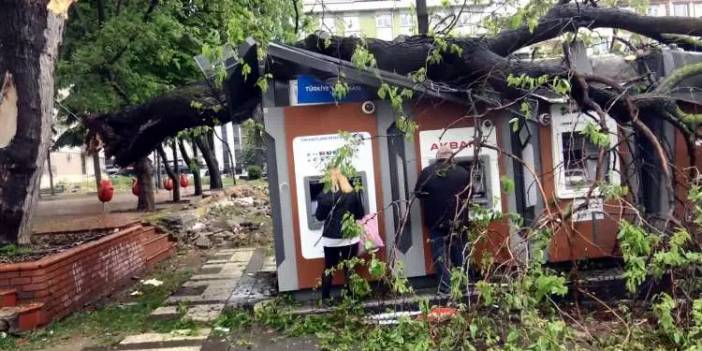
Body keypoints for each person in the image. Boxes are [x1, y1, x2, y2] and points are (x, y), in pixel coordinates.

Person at [415, 144, 471, 294]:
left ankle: (445, 288)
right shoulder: (463, 172)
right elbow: (470, 194)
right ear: (452, 158)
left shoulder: (427, 172)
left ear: (437, 158)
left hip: (436, 221)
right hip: (458, 221)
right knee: (460, 254)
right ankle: (462, 286)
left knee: (440, 256)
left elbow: (418, 193)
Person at [315, 168, 365, 301]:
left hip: (330, 238)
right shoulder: (353, 193)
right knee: (350, 267)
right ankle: (351, 298)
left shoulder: (324, 195)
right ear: (343, 177)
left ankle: (325, 298)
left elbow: (319, 217)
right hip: (349, 237)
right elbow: (360, 214)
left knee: (329, 268)